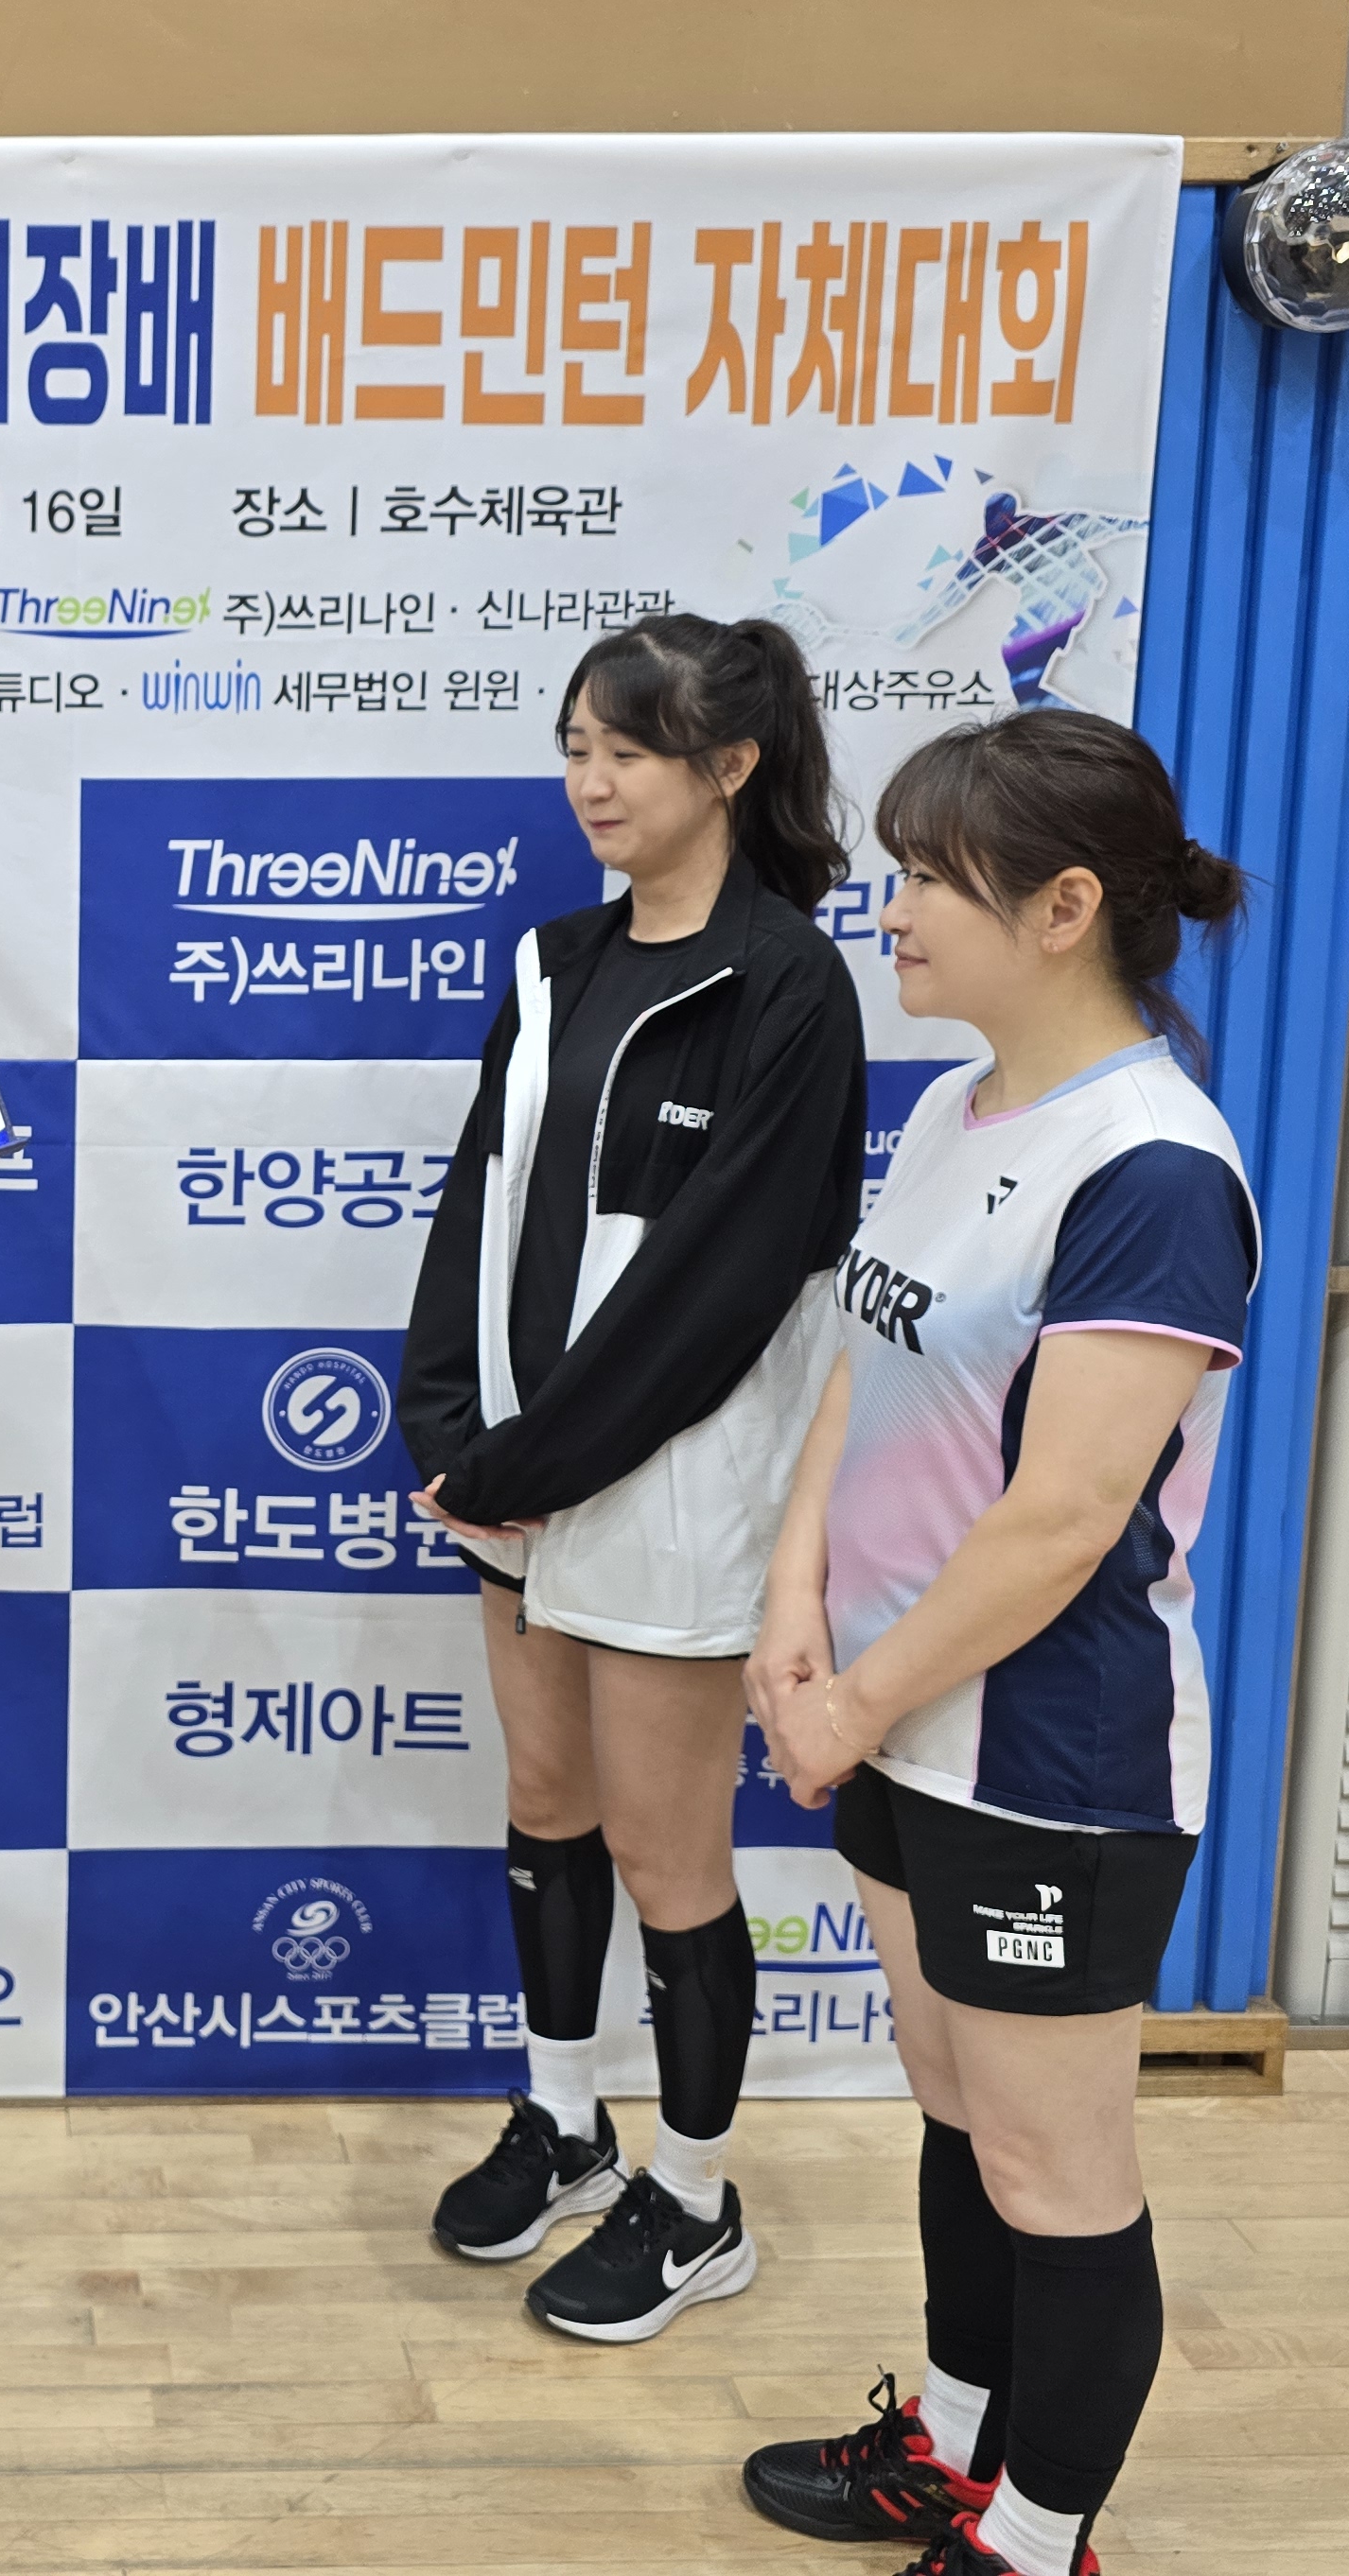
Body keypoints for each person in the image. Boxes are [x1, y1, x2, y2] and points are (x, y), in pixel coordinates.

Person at [738, 708, 1255, 2576]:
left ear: (1062, 907)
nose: (889, 912)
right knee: (960, 2112)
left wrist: (851, 1699)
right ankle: (954, 2447)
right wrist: (790, 1610)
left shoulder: (1153, 1170)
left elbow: (1059, 1520)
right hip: (892, 1721)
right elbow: (856, 1372)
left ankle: (1036, 2542)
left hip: (1045, 1757)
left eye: (926, 879)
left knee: (1055, 2167)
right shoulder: (959, 1110)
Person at [402, 614, 866, 2342]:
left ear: (728, 766)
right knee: (547, 1801)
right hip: (518, 1474)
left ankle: (696, 2195)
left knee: (674, 1857)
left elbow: (719, 1285)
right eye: (575, 749)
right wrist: (452, 1434)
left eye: (627, 750)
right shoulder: (555, 963)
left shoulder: (788, 984)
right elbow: (480, 1203)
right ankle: (563, 2120)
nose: (591, 781)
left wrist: (532, 1461)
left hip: (669, 1480)